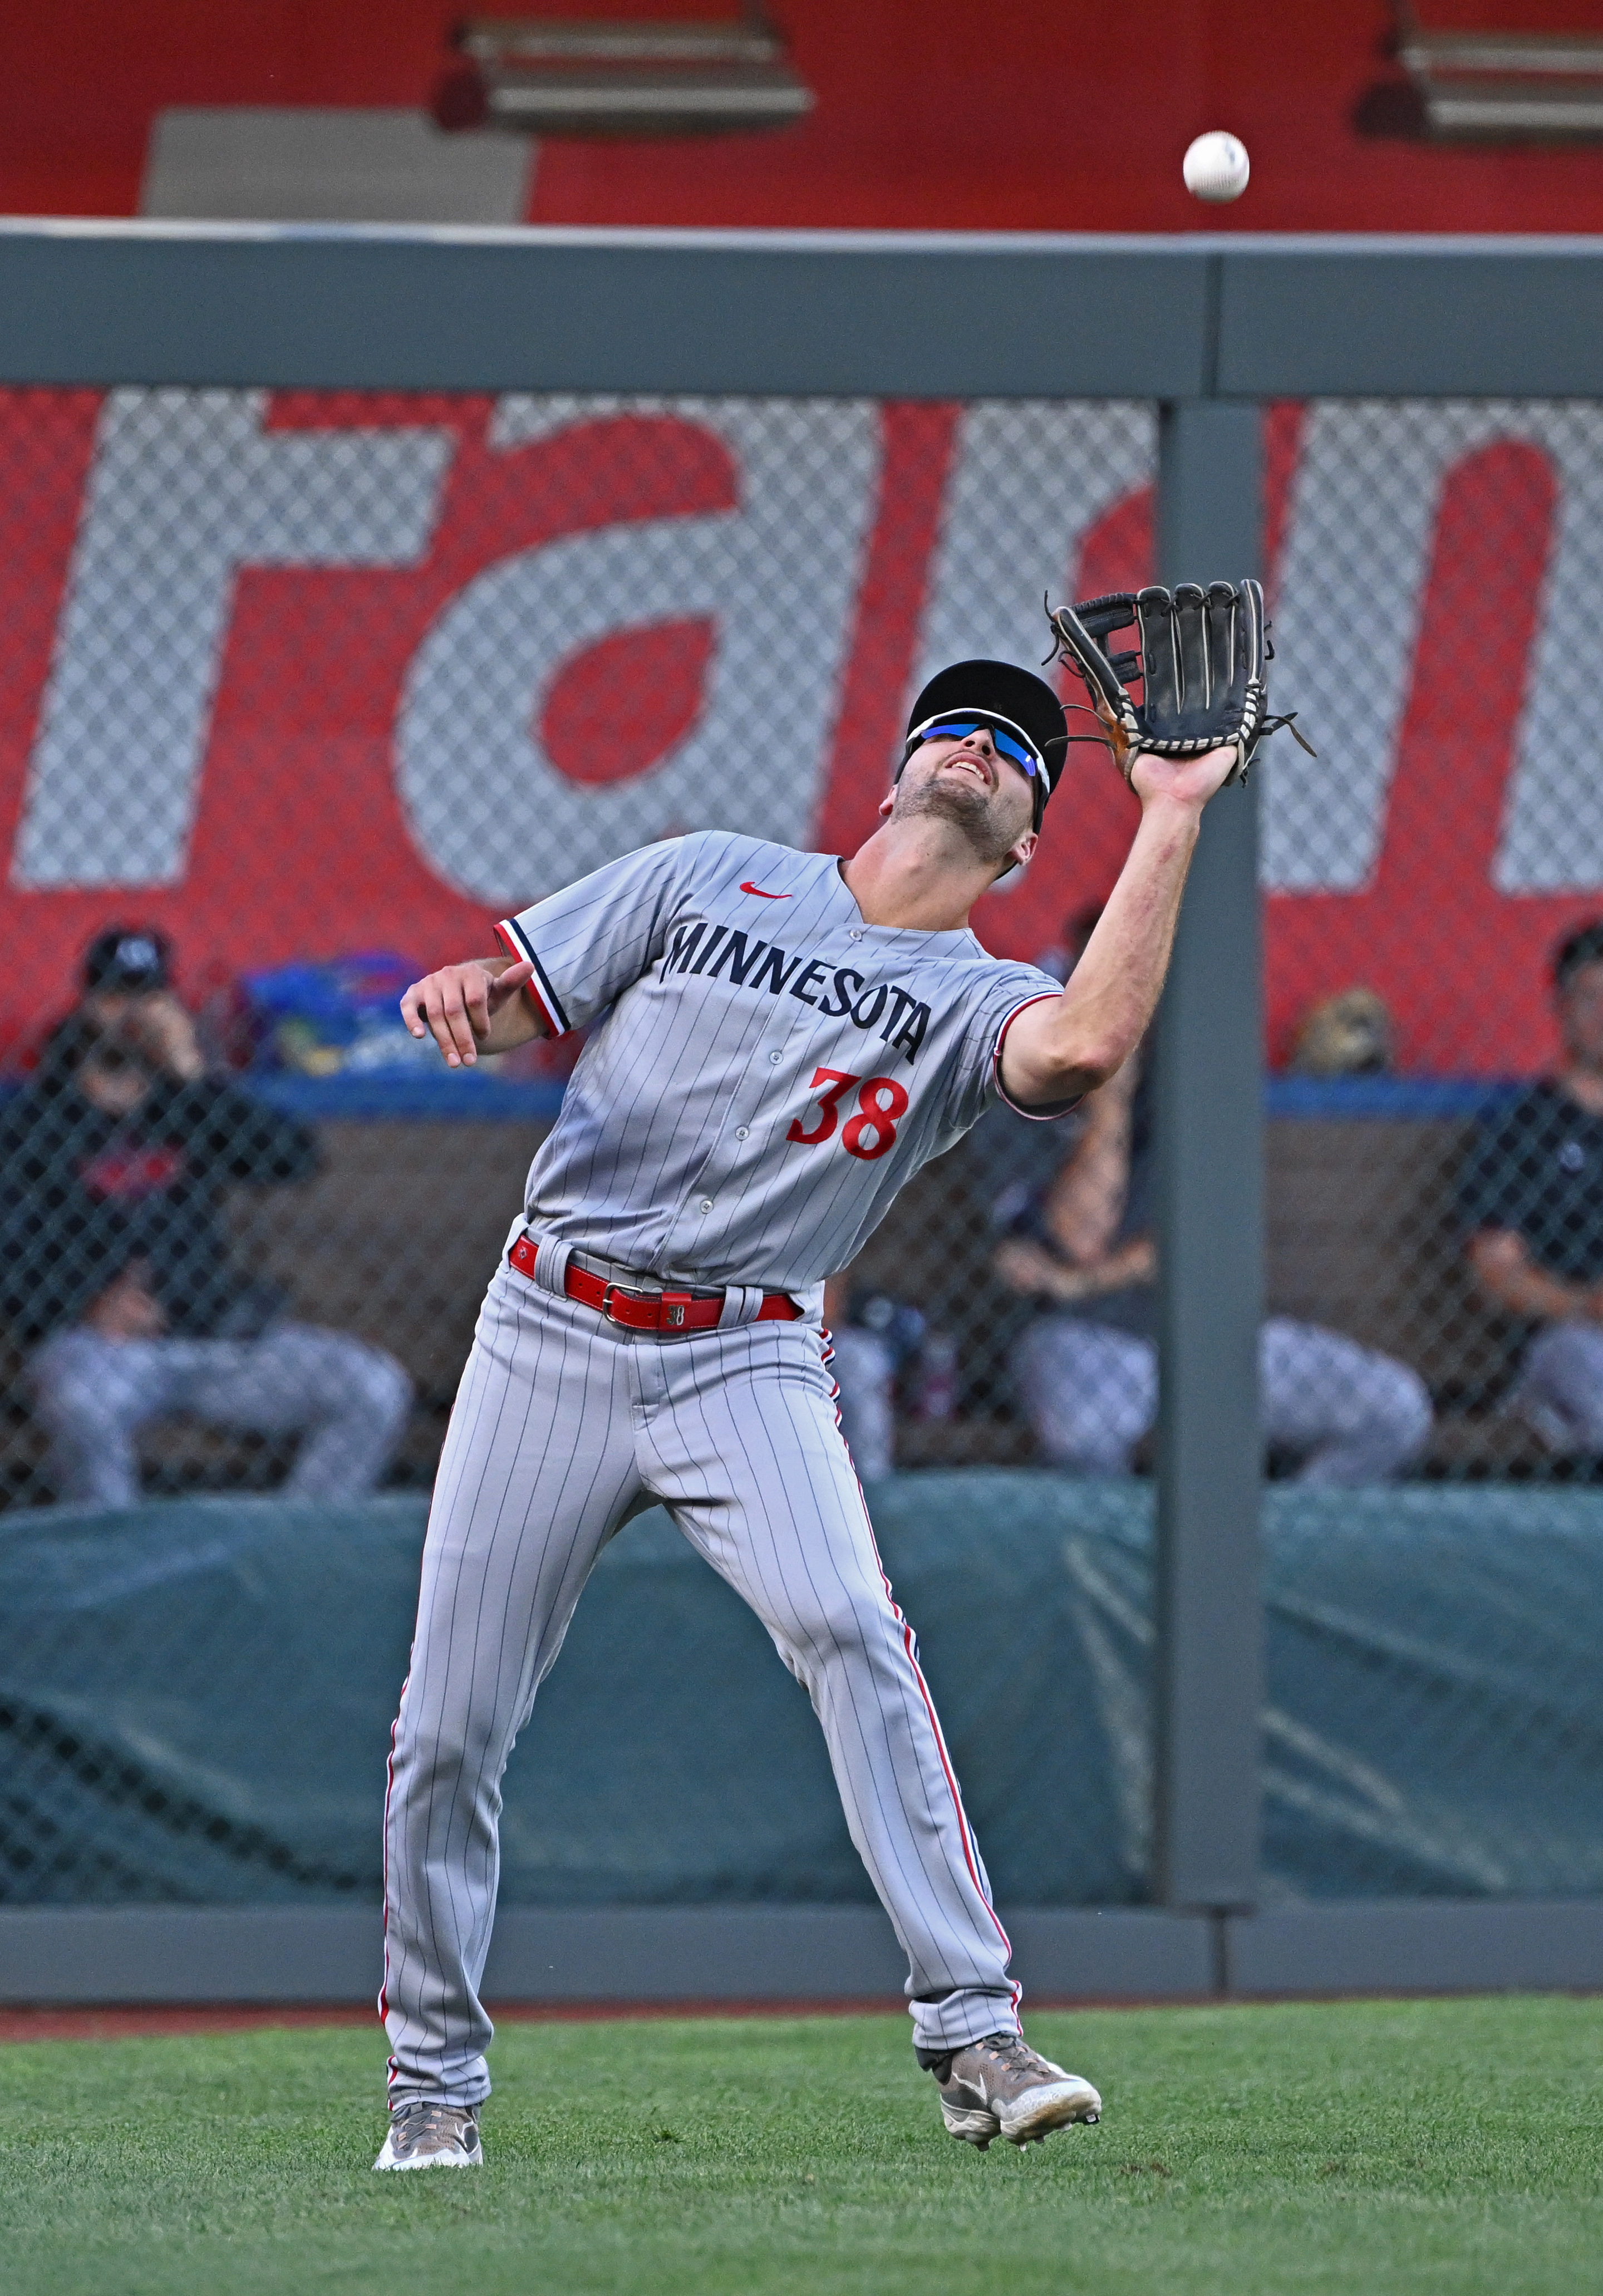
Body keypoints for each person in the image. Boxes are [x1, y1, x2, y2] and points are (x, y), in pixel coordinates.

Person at [376, 655, 1239, 2175]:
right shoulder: (713, 875)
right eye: (958, 724)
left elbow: (1087, 1046)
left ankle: (975, 2031)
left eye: (1018, 748)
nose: (981, 743)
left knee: (851, 1622)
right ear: (899, 768)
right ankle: (433, 2086)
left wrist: (1168, 810)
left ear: (1031, 836)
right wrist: (472, 994)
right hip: (551, 1326)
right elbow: (516, 995)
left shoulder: (982, 995)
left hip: (745, 1356)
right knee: (448, 1730)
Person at [0, 927, 413, 1508]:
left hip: (216, 1336)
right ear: (88, 1005)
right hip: (101, 1348)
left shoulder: (191, 1107)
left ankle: (280, 1554)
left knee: (371, 1388)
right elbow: (9, 1256)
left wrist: (196, 1078)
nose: (132, 1017)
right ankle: (121, 1573)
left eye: (149, 999)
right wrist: (83, 1303)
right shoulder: (35, 1122)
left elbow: (291, 1159)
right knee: (82, 1406)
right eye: (117, 999)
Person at [997, 1049, 1432, 1481]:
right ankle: (1114, 1549)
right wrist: (1110, 1106)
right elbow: (1081, 1237)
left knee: (1395, 1409)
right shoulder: (1016, 1096)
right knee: (1083, 1432)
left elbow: (1197, 1244)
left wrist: (1075, 1282)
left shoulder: (1189, 1087)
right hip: (1087, 1339)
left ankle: (1282, 1541)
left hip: (1219, 1339)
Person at [1461, 920, 1603, 1456]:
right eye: (1590, 999)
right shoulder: (1525, 1126)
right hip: (1567, 1337)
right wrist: (1587, 1304)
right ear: (1561, 1010)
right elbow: (1496, 1269)